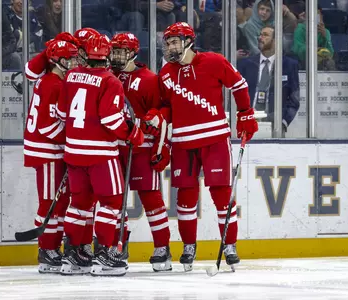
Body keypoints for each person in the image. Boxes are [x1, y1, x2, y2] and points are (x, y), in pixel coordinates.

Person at [142, 22, 258, 271]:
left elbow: (239, 85)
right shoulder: (165, 74)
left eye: (175, 41)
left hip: (215, 139)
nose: (171, 46)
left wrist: (246, 113)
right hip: (183, 142)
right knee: (184, 198)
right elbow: (167, 107)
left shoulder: (213, 61)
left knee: (222, 194)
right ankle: (188, 245)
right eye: (168, 42)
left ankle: (229, 245)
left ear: (189, 42)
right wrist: (157, 116)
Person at [56, 35, 145, 277]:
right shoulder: (110, 80)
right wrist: (133, 133)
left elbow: (61, 112)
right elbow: (111, 119)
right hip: (100, 154)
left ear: (85, 55)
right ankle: (104, 254)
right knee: (111, 202)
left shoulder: (71, 77)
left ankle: (73, 255)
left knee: (79, 205)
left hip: (73, 152)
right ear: (105, 56)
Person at [110, 32, 172, 272]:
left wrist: (161, 145)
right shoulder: (107, 75)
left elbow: (165, 110)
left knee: (151, 198)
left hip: (142, 147)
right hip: (113, 148)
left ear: (134, 53)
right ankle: (117, 246)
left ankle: (162, 247)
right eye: (113, 51)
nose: (116, 56)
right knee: (113, 201)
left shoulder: (148, 79)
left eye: (121, 51)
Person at [23, 39, 79, 274]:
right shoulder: (53, 83)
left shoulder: (49, 78)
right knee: (49, 202)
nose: (75, 62)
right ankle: (46, 250)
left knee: (59, 203)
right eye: (71, 58)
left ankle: (53, 247)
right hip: (45, 151)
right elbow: (47, 126)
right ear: (58, 61)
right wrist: (71, 142)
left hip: (49, 150)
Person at [237, 25, 300, 136]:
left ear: (276, 40)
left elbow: (294, 99)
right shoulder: (245, 64)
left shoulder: (289, 65)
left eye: (265, 35)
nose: (260, 38)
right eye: (260, 35)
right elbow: (235, 95)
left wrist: (283, 123)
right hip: (247, 123)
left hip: (275, 125)